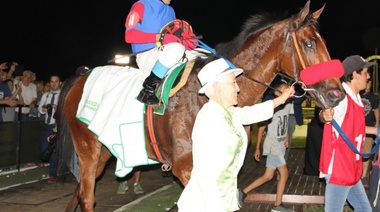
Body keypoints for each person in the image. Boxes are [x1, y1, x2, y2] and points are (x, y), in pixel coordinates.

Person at [177, 58, 294, 212]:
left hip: (222, 198)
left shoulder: (227, 113)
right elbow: (208, 174)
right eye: (233, 83)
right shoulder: (210, 120)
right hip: (208, 203)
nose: (238, 88)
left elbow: (252, 113)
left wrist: (281, 99)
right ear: (217, 86)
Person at [319, 55, 377, 211]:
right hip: (339, 169)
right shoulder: (341, 98)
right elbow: (326, 114)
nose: (368, 76)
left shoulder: (356, 97)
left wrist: (376, 131)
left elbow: (354, 128)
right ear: (355, 74)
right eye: (366, 72)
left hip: (351, 167)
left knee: (365, 210)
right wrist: (324, 116)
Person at [124, 0, 198, 106]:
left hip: (167, 53)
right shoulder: (141, 5)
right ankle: (147, 89)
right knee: (176, 48)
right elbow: (129, 36)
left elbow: (173, 36)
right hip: (146, 55)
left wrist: (187, 42)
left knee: (200, 53)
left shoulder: (170, 11)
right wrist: (162, 38)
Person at [243, 78, 294, 212]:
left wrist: (286, 137)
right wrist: (258, 147)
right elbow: (261, 128)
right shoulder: (272, 106)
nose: (288, 90)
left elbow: (286, 121)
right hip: (272, 145)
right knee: (284, 174)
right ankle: (277, 205)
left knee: (268, 176)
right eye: (285, 89)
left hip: (280, 144)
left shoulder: (289, 104)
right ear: (277, 93)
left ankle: (242, 192)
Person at [38, 74, 62, 183]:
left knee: (54, 151)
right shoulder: (46, 95)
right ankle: (55, 169)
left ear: (59, 83)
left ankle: (52, 174)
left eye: (56, 81)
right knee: (44, 149)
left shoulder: (63, 95)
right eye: (52, 81)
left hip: (57, 127)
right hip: (47, 126)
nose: (54, 83)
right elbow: (39, 109)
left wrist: (58, 109)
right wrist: (44, 108)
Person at [360, 79, 379, 187]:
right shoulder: (356, 95)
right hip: (357, 130)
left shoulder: (372, 97)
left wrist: (377, 123)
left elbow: (376, 110)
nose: (367, 86)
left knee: (366, 152)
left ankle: (363, 176)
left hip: (369, 129)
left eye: (369, 85)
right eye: (366, 83)